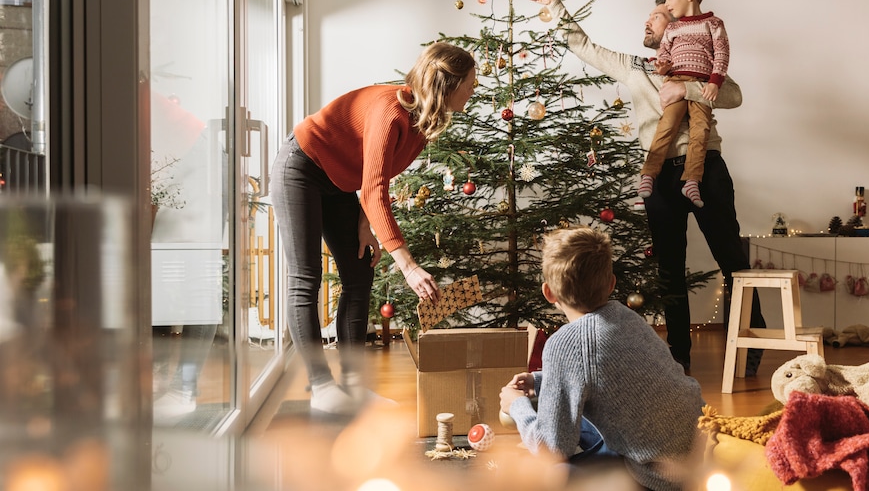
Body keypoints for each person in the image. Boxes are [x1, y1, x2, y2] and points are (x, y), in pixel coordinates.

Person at [528, 0, 765, 373]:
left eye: (656, 17)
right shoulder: (634, 65)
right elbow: (584, 46)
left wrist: (686, 86)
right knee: (670, 267)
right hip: (659, 178)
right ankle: (679, 358)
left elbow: (734, 95)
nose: (648, 23)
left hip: (706, 168)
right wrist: (554, 4)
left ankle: (752, 351)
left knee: (733, 260)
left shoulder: (706, 69)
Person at [270, 42, 476, 414]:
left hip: (338, 184)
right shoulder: (392, 109)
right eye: (471, 83)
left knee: (359, 271)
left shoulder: (425, 122)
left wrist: (366, 224)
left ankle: (353, 385)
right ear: (449, 83)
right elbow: (375, 188)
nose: (474, 90)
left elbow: (377, 176)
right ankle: (320, 386)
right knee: (306, 276)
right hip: (301, 167)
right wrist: (408, 266)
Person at [499, 226, 705, 491]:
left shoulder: (564, 343)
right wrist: (541, 380)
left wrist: (517, 406)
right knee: (581, 417)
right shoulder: (627, 316)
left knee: (541, 473)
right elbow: (608, 375)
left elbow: (553, 449)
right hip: (699, 450)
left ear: (548, 293)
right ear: (611, 283)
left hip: (660, 478)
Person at [639, 0, 729, 209]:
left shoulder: (713, 24)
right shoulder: (672, 30)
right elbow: (666, 53)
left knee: (700, 131)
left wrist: (714, 82)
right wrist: (663, 67)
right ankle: (649, 173)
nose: (668, 4)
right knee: (666, 126)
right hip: (676, 79)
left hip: (700, 83)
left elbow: (721, 54)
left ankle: (692, 180)